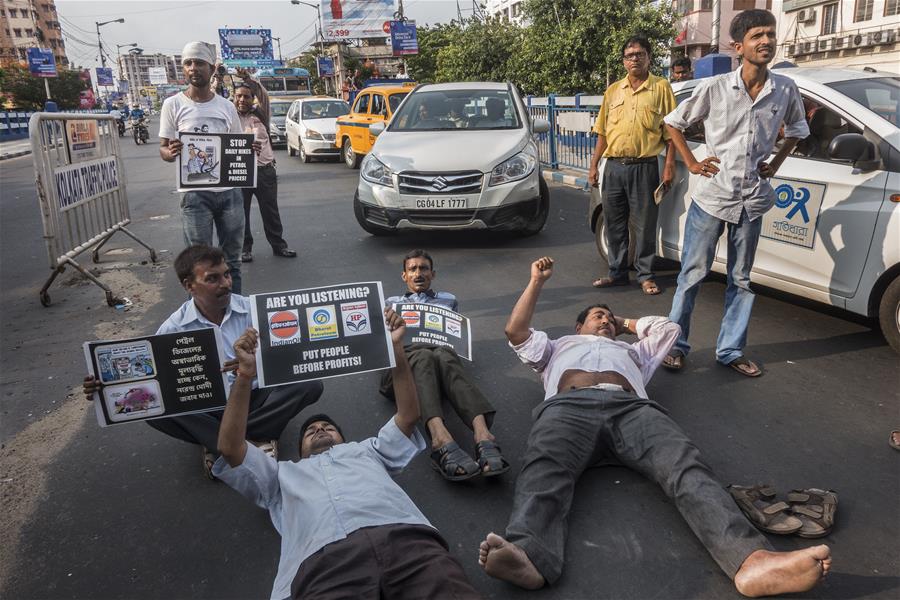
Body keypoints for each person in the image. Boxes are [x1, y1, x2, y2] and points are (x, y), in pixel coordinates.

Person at [478, 256, 832, 597]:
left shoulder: (635, 352)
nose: (604, 320)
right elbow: (516, 331)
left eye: (608, 317)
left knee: (686, 466)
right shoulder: (556, 347)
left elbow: (669, 328)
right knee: (543, 469)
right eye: (597, 316)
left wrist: (624, 323)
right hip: (568, 408)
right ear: (578, 326)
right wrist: (536, 282)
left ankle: (750, 561)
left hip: (632, 409)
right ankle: (529, 556)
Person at [214, 311, 481, 600]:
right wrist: (245, 375)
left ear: (344, 439)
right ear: (300, 451)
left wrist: (395, 349)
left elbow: (408, 415)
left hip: (407, 543)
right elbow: (231, 448)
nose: (319, 429)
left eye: (327, 427)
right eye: (311, 431)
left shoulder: (368, 451)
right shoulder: (280, 475)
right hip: (324, 564)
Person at [83, 245, 323, 479]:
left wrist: (255, 364)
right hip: (208, 406)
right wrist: (106, 388)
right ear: (189, 285)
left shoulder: (254, 310)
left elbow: (289, 356)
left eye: (227, 274)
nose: (226, 283)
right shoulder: (173, 328)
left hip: (255, 396)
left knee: (310, 384)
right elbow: (152, 380)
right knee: (150, 408)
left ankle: (220, 443)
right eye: (213, 279)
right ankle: (252, 441)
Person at [661, 10, 810, 377]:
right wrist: (692, 163)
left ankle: (730, 350)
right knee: (692, 275)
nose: (766, 41)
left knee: (741, 280)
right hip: (712, 198)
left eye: (770, 34)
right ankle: (675, 345)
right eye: (757, 35)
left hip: (752, 200)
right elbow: (673, 123)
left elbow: (797, 130)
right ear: (738, 46)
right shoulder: (715, 87)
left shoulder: (785, 89)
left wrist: (775, 163)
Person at [383, 250, 507, 481]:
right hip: (403, 367)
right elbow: (382, 343)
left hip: (438, 359)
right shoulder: (391, 304)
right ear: (404, 276)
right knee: (423, 355)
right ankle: (439, 438)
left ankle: (483, 435)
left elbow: (454, 337)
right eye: (412, 269)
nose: (418, 273)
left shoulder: (449, 300)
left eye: (423, 268)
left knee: (444, 353)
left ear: (433, 274)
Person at [587, 35, 676, 296]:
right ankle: (617, 273)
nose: (634, 59)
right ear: (623, 61)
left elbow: (672, 133)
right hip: (614, 167)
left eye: (639, 54)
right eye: (629, 56)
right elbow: (602, 132)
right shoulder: (613, 91)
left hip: (644, 167)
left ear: (649, 57)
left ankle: (645, 275)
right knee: (614, 222)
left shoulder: (661, 88)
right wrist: (594, 165)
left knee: (645, 225)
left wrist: (669, 166)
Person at [158, 41, 248, 294]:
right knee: (198, 265)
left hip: (229, 193)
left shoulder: (226, 106)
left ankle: (235, 309)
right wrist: (171, 152)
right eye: (188, 63)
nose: (193, 68)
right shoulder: (173, 105)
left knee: (232, 261)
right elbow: (163, 149)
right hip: (194, 195)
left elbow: (237, 145)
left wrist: (247, 151)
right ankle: (200, 316)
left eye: (199, 63)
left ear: (211, 68)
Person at [232, 71, 296, 263]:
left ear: (252, 99)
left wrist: (248, 79)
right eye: (238, 96)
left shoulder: (261, 113)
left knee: (270, 211)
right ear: (233, 98)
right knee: (240, 213)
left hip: (264, 171)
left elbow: (263, 94)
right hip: (240, 172)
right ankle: (245, 249)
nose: (242, 100)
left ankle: (279, 246)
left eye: (246, 96)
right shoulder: (229, 117)